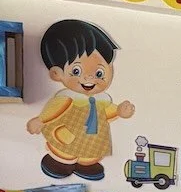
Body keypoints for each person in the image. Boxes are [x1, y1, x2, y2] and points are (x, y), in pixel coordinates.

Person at [26, 18, 134, 180]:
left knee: (91, 151)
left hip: (93, 136)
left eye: (99, 73)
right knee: (65, 148)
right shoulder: (66, 98)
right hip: (68, 129)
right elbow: (54, 111)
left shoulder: (102, 100)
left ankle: (86, 164)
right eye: (76, 71)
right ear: (57, 73)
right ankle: (61, 162)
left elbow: (105, 113)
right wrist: (41, 120)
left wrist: (119, 111)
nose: (90, 77)